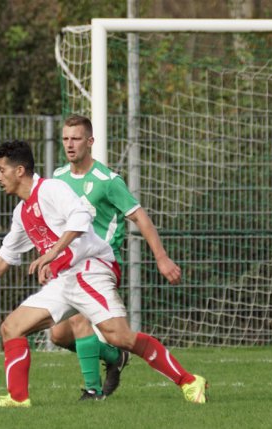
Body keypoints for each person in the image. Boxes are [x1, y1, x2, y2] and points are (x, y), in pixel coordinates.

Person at [0, 140, 207, 409]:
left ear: (19, 171)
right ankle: (18, 399)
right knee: (12, 327)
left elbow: (81, 218)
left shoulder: (51, 189)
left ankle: (190, 381)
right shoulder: (22, 212)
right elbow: (6, 255)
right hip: (65, 278)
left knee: (119, 337)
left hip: (90, 269)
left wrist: (53, 253)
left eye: (1, 170)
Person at [49, 114, 183, 400]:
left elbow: (141, 217)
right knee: (58, 335)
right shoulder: (58, 179)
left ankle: (92, 391)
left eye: (76, 139)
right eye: (65, 138)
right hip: (69, 266)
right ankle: (114, 356)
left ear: (90, 141)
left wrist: (162, 258)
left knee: (79, 321)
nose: (69, 144)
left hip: (100, 264)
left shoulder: (107, 181)